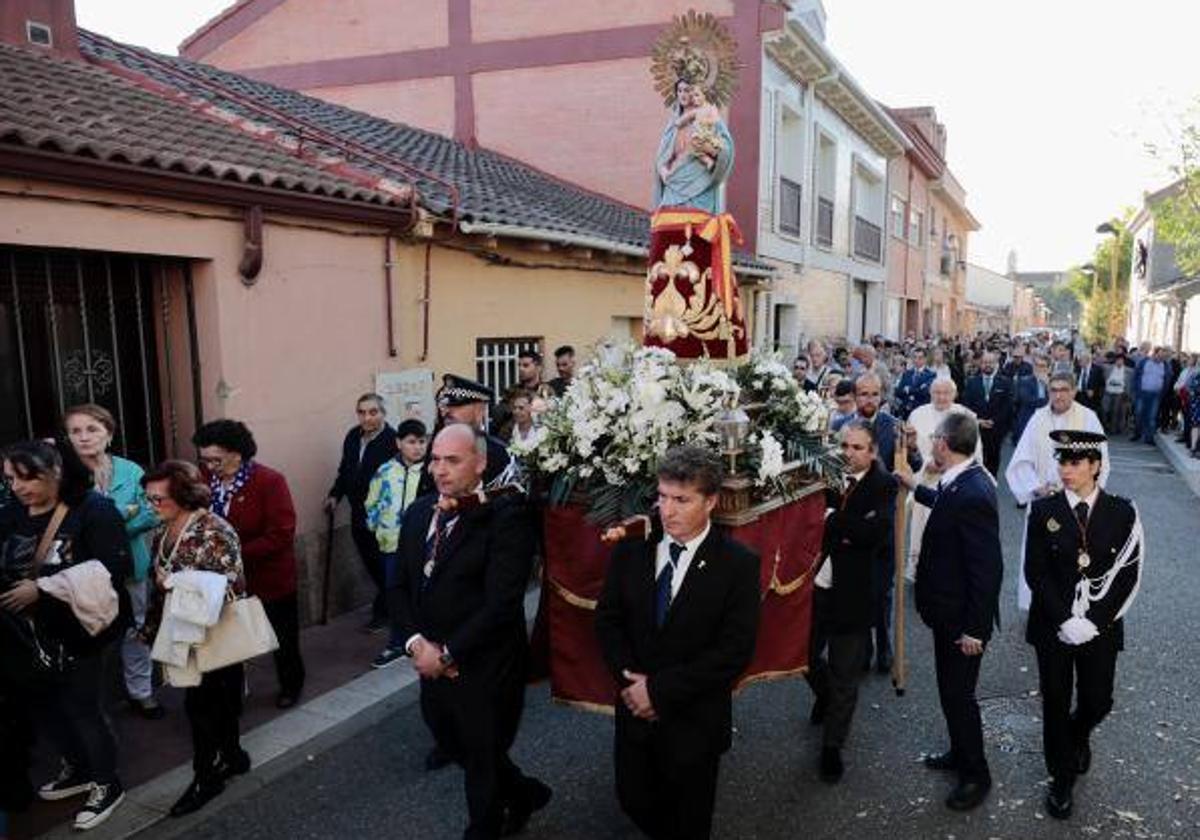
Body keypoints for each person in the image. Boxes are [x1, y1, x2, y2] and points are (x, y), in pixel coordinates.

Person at [389, 424, 549, 838]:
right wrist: (415, 644)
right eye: (435, 460)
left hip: (487, 662)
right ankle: (524, 792)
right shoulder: (418, 512)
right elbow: (399, 587)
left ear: (479, 464)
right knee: (450, 738)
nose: (439, 470)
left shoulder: (506, 517)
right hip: (429, 659)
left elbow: (501, 604)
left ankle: (485, 826)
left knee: (481, 754)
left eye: (452, 460)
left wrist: (448, 653)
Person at [595, 446, 760, 839]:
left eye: (682, 500)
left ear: (711, 501)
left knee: (688, 824)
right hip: (634, 713)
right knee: (632, 799)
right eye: (662, 497)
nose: (667, 510)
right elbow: (608, 620)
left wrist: (660, 691)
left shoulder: (737, 564)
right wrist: (631, 685)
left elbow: (734, 651)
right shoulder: (633, 548)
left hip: (694, 724)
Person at [0, 440, 132, 831]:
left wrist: (43, 588)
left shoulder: (94, 510)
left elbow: (112, 568)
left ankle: (107, 783)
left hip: (84, 632)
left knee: (85, 709)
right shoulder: (10, 514)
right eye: (10, 479)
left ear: (56, 471)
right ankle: (78, 770)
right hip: (29, 637)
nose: (18, 487)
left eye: (27, 478)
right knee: (47, 709)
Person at [1024, 430, 1143, 820]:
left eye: (1074, 463)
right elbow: (1035, 572)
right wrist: (1064, 620)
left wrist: (1092, 621)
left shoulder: (1122, 511)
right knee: (1056, 700)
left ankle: (1077, 735)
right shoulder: (1044, 511)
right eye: (1061, 461)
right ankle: (1061, 778)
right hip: (1054, 626)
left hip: (1099, 629)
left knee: (1098, 700)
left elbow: (1128, 574)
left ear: (1095, 466)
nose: (1065, 469)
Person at [897, 413, 1002, 812]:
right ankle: (959, 753)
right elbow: (944, 502)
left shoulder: (974, 492)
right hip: (947, 615)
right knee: (950, 692)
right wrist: (914, 486)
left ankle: (976, 774)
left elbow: (987, 569)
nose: (932, 443)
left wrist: (976, 630)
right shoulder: (961, 480)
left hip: (963, 622)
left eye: (935, 437)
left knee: (960, 696)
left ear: (944, 443)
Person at [142, 460, 248, 818]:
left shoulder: (214, 529)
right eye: (149, 499)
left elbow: (227, 584)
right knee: (216, 703)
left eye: (159, 499)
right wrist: (151, 628)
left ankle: (207, 778)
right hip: (184, 634)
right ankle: (233, 757)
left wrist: (168, 582)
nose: (152, 506)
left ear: (184, 496)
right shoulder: (164, 530)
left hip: (214, 634)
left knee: (202, 706)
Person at [193, 420, 305, 709]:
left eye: (215, 459)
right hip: (223, 581)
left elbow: (281, 533)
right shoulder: (205, 481)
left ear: (236, 454)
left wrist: (232, 554)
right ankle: (233, 694)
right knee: (230, 640)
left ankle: (291, 685)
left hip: (268, 577)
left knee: (282, 638)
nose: (209, 465)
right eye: (204, 459)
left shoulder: (269, 481)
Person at [64, 404, 163, 720]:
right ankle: (92, 703)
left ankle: (142, 693)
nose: (84, 437)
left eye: (92, 429)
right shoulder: (64, 474)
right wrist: (122, 517)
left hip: (131, 566)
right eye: (75, 431)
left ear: (109, 434)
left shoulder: (131, 470)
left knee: (136, 631)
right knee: (90, 636)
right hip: (86, 574)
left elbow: (151, 512)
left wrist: (108, 528)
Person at [806, 422, 891, 783]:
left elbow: (872, 534)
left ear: (872, 452)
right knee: (804, 657)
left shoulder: (883, 486)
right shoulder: (827, 478)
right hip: (816, 585)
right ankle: (824, 695)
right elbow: (813, 524)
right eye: (845, 445)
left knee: (846, 673)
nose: (849, 452)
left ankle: (832, 747)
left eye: (858, 447)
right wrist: (844, 526)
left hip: (854, 594)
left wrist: (833, 520)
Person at [1006, 371, 1109, 610]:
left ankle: (1072, 606)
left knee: (1072, 555)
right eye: (1054, 390)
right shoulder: (1038, 418)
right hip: (1044, 499)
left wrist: (1085, 492)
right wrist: (1036, 487)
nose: (1059, 395)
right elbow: (1021, 459)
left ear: (1074, 391)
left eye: (1064, 390)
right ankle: (1038, 604)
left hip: (1077, 501)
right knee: (1040, 555)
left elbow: (1102, 461)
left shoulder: (1088, 418)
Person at [847, 373, 921, 673]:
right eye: (863, 393)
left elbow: (913, 467)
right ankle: (863, 647)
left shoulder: (894, 427)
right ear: (855, 395)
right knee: (859, 590)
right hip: (853, 521)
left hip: (886, 521)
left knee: (882, 590)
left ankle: (885, 645)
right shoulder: (843, 428)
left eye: (874, 394)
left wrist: (913, 448)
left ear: (882, 396)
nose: (868, 399)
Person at [326, 393, 397, 633]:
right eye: (362, 412)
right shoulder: (352, 437)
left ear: (383, 413)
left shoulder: (392, 440)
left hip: (384, 517)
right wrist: (335, 494)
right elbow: (345, 470)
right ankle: (388, 604)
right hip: (358, 513)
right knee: (371, 563)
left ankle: (385, 610)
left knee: (382, 564)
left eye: (373, 412)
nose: (367, 417)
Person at [364, 418, 427, 670]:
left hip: (422, 546)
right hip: (391, 545)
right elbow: (371, 503)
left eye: (422, 442)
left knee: (422, 592)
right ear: (399, 443)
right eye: (411, 442)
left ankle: (423, 637)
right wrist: (378, 528)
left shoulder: (430, 473)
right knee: (395, 591)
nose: (417, 448)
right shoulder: (385, 471)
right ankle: (397, 642)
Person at [906, 380, 983, 577]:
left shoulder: (965, 416)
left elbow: (975, 451)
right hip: (925, 479)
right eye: (937, 393)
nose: (941, 397)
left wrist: (946, 465)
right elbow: (910, 447)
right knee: (921, 531)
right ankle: (919, 570)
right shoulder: (917, 414)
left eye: (946, 393)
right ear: (930, 393)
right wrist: (925, 465)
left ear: (954, 394)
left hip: (955, 484)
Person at [961, 351, 1012, 478]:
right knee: (976, 461)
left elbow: (1008, 407)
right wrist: (978, 420)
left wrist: (994, 421)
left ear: (996, 364)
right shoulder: (972, 382)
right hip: (976, 428)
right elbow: (966, 404)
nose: (987, 365)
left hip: (996, 430)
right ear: (980, 364)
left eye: (990, 362)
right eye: (984, 362)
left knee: (994, 461)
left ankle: (991, 485)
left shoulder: (1005, 382)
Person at [1130, 346, 1169, 444]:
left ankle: (1149, 438)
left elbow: (1167, 379)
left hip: (1155, 395)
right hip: (1142, 393)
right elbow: (1135, 376)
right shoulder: (1144, 362)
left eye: (1163, 357)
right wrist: (1135, 389)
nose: (1161, 359)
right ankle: (1137, 434)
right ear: (1154, 354)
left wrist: (1163, 391)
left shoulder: (1165, 365)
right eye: (1159, 356)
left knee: (1151, 416)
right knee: (1138, 413)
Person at [1013, 355, 1051, 444]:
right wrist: (1047, 401)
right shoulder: (1024, 381)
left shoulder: (1053, 383)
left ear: (1048, 368)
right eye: (1036, 365)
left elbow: (1058, 401)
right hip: (1028, 422)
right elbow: (1028, 401)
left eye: (1042, 366)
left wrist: (1048, 386)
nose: (1039, 368)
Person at [894, 349, 936, 420]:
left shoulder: (930, 375)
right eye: (915, 357)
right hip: (906, 411)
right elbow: (898, 392)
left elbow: (925, 392)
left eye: (920, 358)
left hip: (922, 411)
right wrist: (918, 389)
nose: (916, 360)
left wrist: (908, 390)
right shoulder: (907, 373)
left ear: (925, 359)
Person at [1101, 353, 1132, 435]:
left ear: (1124, 361)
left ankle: (1113, 429)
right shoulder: (1108, 368)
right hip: (1108, 392)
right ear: (1115, 360)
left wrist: (1129, 394)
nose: (1119, 362)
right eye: (1118, 360)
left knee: (1115, 411)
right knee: (1104, 409)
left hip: (1119, 393)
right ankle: (1105, 426)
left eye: (1121, 360)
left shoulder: (1128, 371)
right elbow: (1098, 364)